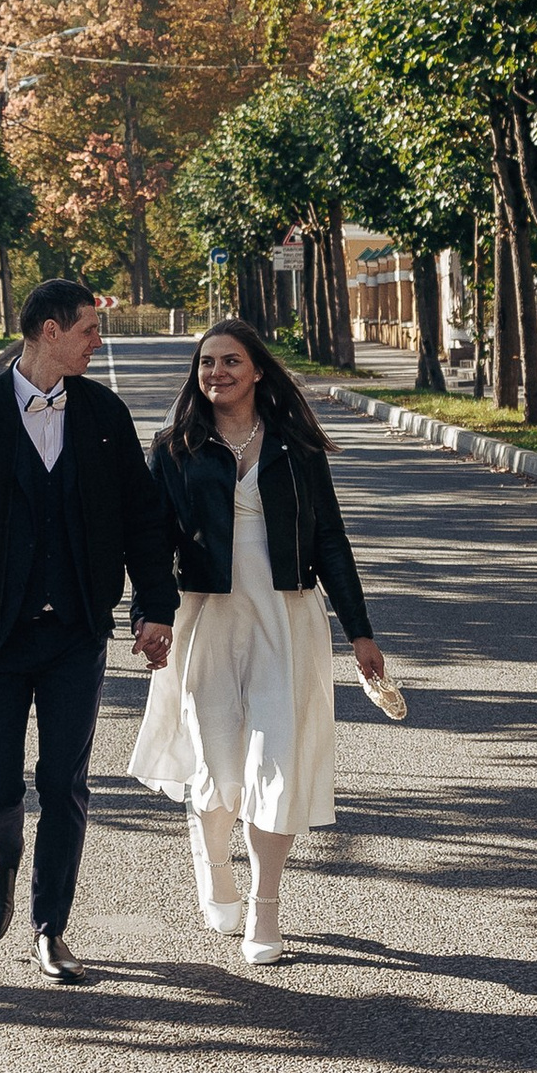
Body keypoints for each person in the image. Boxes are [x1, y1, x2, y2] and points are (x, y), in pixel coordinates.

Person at [0, 277, 178, 986]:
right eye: (88, 329)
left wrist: (153, 608)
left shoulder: (105, 417)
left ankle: (50, 929)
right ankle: (2, 848)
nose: (97, 341)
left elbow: (144, 523)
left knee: (65, 782)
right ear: (48, 331)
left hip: (76, 633)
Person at [130, 319, 385, 967]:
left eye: (230, 361)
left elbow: (330, 538)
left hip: (286, 619)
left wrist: (360, 632)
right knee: (216, 767)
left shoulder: (296, 448)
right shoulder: (174, 449)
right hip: (203, 621)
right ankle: (214, 860)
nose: (216, 372)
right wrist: (150, 616)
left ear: (258, 371)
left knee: (278, 766)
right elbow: (150, 545)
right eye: (207, 362)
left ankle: (266, 907)